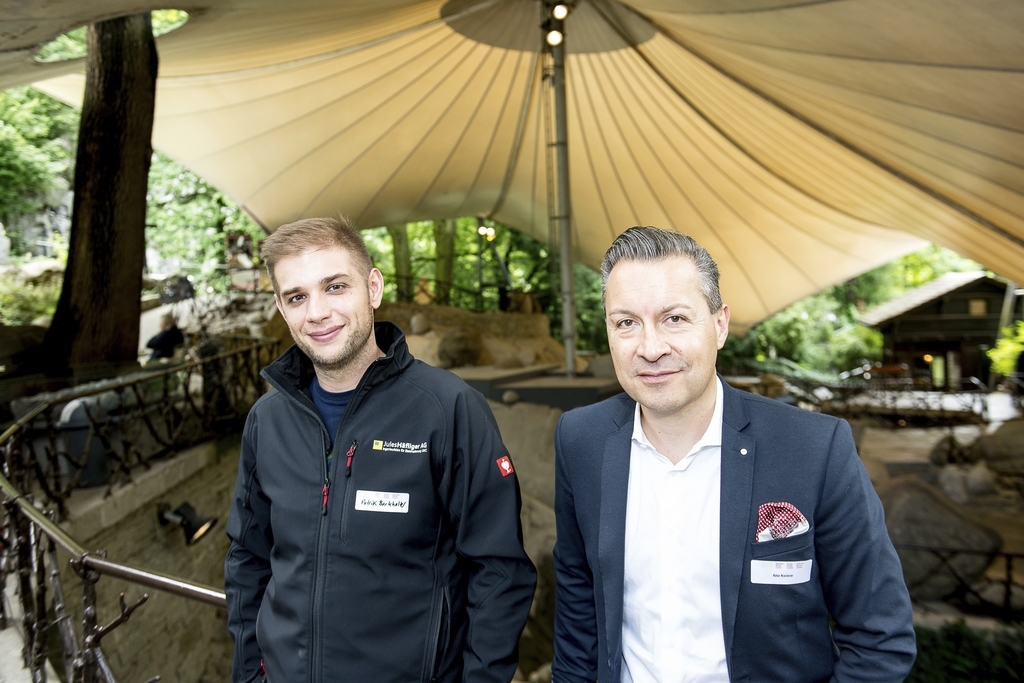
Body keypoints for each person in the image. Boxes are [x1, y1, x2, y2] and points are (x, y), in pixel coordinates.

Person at [552, 226, 915, 683]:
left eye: (675, 319)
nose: (650, 347)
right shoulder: (580, 440)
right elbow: (577, 617)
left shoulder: (813, 449)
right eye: (626, 322)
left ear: (720, 325)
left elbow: (880, 636)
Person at [224, 217, 536, 683]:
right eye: (297, 297)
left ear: (373, 288)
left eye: (334, 287)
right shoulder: (267, 421)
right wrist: (250, 675)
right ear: (281, 308)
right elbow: (248, 560)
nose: (317, 312)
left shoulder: (448, 409)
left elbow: (500, 573)